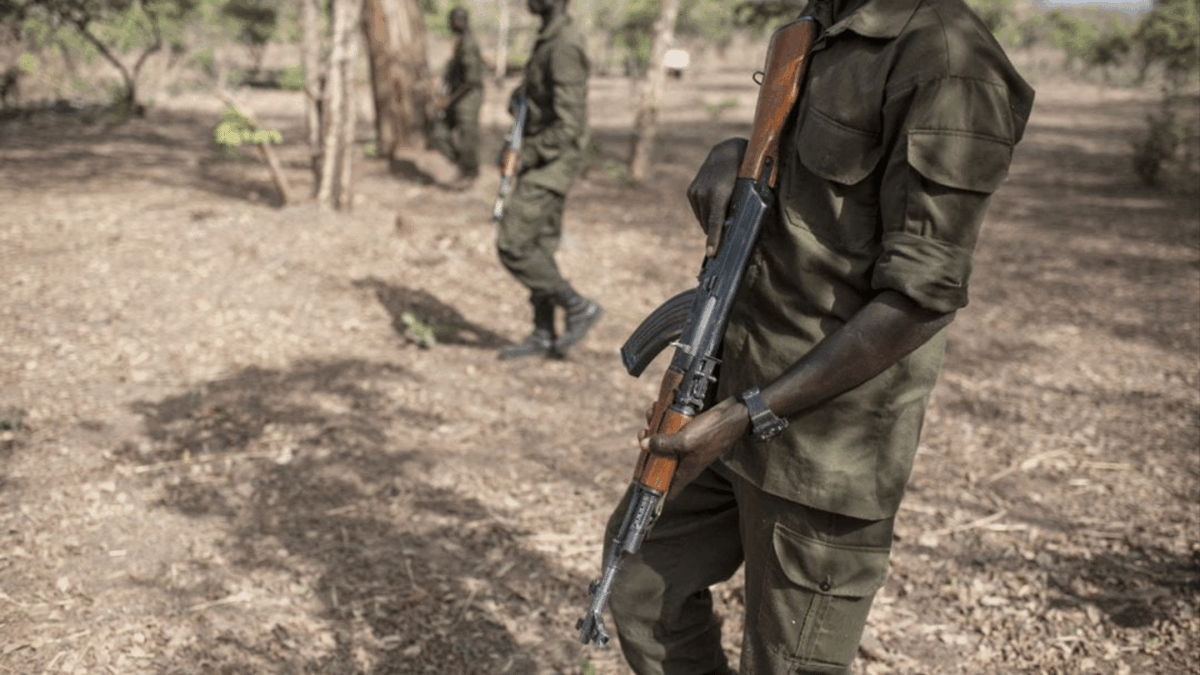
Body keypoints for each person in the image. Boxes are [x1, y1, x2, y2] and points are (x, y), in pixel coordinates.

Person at [604, 0, 1035, 673]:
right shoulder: (823, 22)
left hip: (821, 450)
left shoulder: (950, 63)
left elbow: (920, 299)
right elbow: (806, 182)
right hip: (728, 391)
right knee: (637, 585)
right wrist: (735, 153)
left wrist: (753, 413)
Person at [496, 0, 601, 360]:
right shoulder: (548, 39)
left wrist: (524, 154)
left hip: (552, 162)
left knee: (513, 243)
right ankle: (543, 333)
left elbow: (570, 127)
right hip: (543, 158)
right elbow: (540, 102)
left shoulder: (564, 45)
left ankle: (578, 306)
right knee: (539, 246)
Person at [431, 7, 484, 188]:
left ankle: (469, 174)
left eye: (457, 20)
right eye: (452, 20)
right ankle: (463, 166)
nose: (453, 24)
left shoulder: (468, 44)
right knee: (439, 133)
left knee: (468, 137)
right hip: (456, 96)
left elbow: (470, 82)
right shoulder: (458, 42)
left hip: (467, 97)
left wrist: (449, 100)